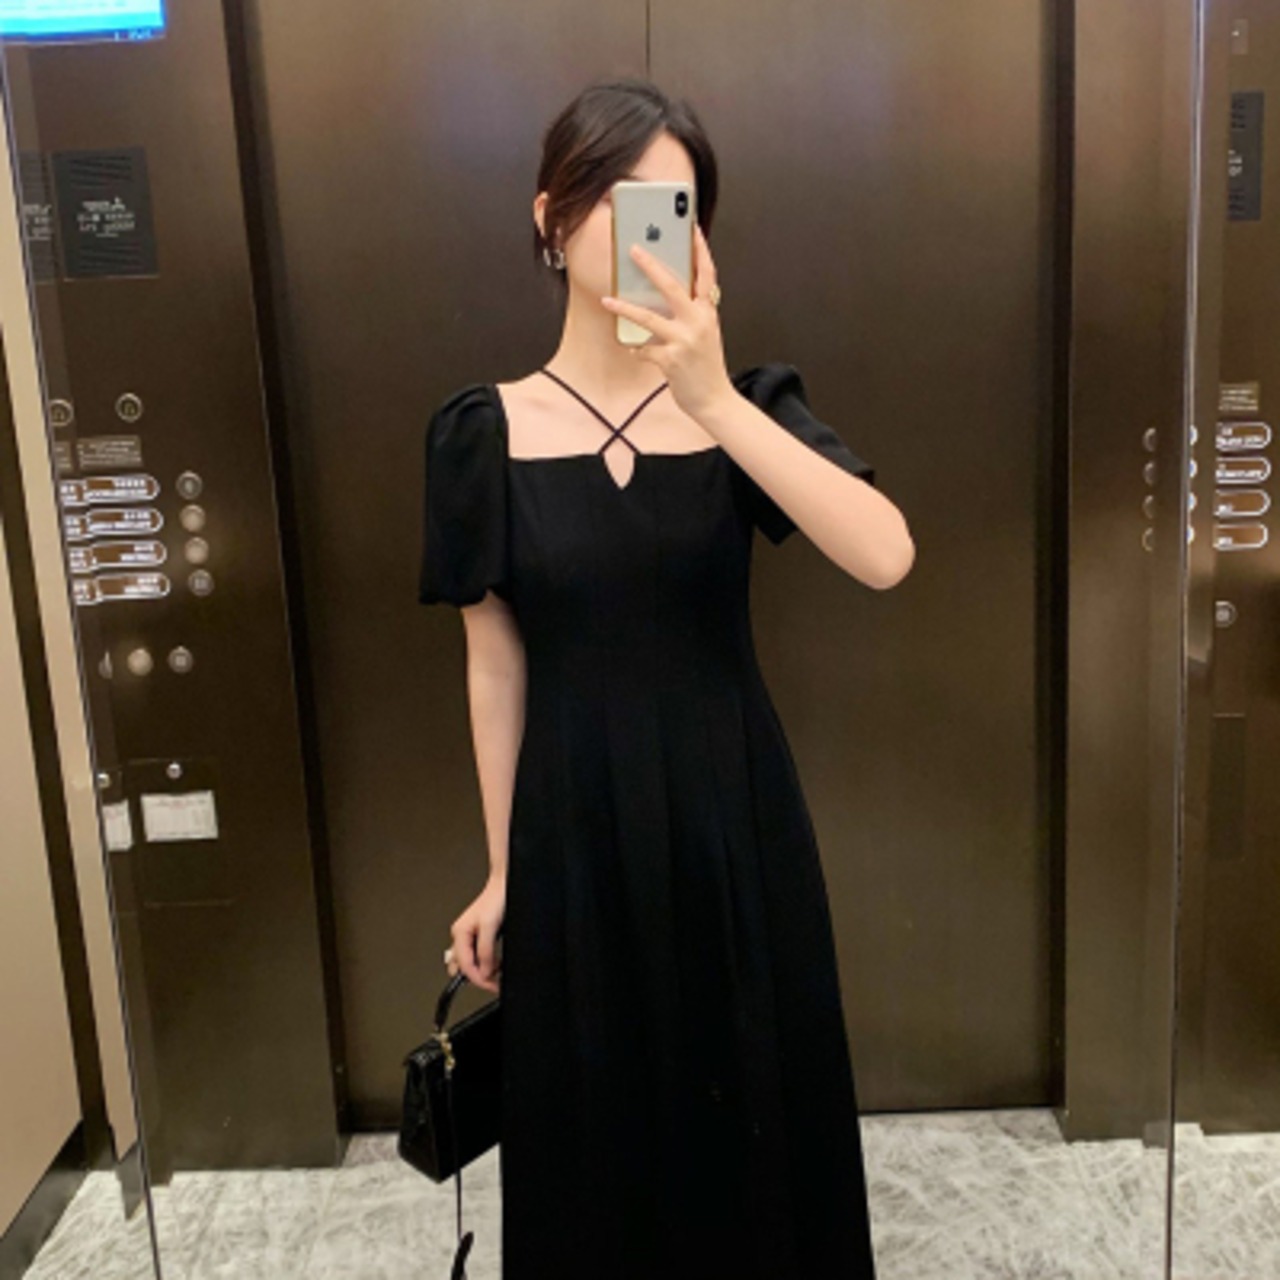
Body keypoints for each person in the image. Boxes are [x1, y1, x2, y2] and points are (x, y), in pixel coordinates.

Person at [420, 75, 914, 1280]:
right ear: (549, 218)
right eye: (613, 196)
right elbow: (494, 657)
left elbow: (885, 554)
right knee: (591, 1134)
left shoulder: (746, 406)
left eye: (674, 206)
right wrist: (503, 866)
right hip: (571, 829)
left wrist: (709, 397)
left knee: (750, 1119)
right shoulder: (480, 434)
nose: (646, 227)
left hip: (730, 818)